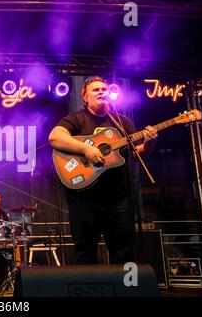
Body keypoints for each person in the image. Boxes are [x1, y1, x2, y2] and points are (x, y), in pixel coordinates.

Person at [48, 76, 158, 264]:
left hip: (118, 198)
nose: (101, 92)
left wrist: (150, 142)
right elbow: (55, 137)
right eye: (96, 90)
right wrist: (86, 149)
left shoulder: (122, 123)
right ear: (85, 98)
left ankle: (125, 290)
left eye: (103, 89)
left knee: (123, 253)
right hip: (84, 198)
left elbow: (136, 154)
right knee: (85, 253)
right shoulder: (76, 119)